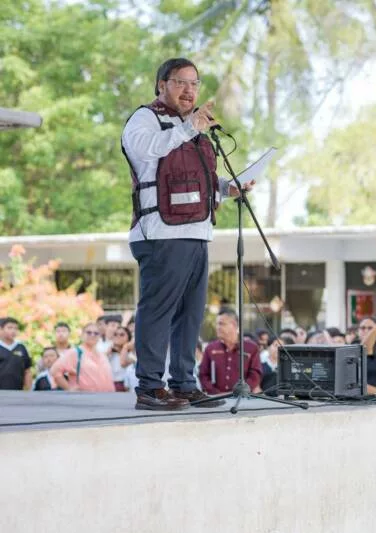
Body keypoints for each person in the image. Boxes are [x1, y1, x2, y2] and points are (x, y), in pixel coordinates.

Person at [122, 57, 254, 411]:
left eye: (194, 83)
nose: (189, 90)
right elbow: (146, 150)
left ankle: (183, 383)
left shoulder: (194, 128)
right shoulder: (145, 119)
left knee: (191, 314)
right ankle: (150, 387)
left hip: (198, 232)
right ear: (162, 84)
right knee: (158, 311)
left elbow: (198, 179)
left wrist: (228, 188)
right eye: (180, 82)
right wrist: (189, 127)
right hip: (161, 233)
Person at [199, 310, 262, 396]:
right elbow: (203, 374)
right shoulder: (210, 348)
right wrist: (215, 393)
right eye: (217, 324)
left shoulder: (251, 348)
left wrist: (242, 391)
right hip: (216, 398)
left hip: (243, 398)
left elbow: (255, 374)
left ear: (234, 325)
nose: (217, 327)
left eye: (221, 324)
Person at [50, 323, 115, 392]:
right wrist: (69, 389)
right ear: (82, 335)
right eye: (89, 332)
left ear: (99, 337)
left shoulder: (102, 355)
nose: (92, 335)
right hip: (83, 397)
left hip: (106, 396)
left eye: (96, 333)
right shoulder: (75, 352)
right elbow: (55, 371)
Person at [0, 317, 32, 390]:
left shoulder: (21, 347)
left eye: (16, 328)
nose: (13, 331)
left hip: (17, 391)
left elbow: (27, 371)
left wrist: (29, 390)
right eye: (10, 328)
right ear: (1, 329)